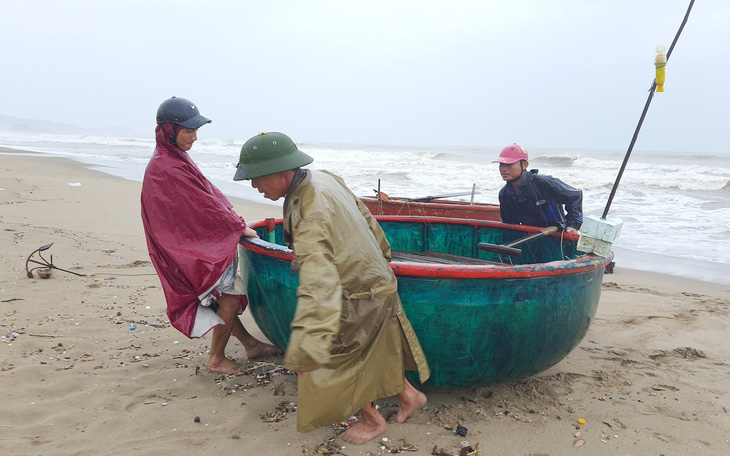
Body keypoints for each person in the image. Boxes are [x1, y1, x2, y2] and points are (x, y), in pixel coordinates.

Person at [233, 131, 430, 444]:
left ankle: (373, 421)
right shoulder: (323, 178)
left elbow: (319, 284)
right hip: (377, 279)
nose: (254, 186)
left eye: (256, 179)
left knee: (333, 359)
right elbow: (367, 219)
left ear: (282, 173)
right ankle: (410, 396)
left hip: (356, 292)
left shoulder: (310, 212)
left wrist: (307, 347)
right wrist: (383, 258)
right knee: (377, 349)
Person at [141, 97, 280, 375]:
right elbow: (201, 207)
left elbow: (204, 198)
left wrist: (233, 221)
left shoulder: (171, 157)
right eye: (188, 131)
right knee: (228, 296)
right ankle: (216, 358)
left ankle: (250, 344)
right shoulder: (167, 166)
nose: (194, 137)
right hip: (185, 247)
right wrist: (237, 227)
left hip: (187, 242)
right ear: (169, 129)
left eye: (196, 131)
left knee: (221, 295)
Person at [494, 143, 583, 234]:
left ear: (524, 165)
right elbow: (509, 225)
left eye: (509, 165)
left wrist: (572, 225)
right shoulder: (504, 194)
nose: (503, 169)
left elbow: (575, 196)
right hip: (530, 238)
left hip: (556, 235)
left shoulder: (544, 183)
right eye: (501, 165)